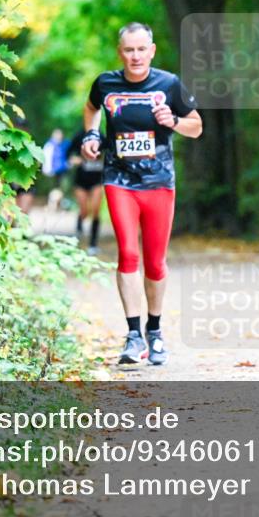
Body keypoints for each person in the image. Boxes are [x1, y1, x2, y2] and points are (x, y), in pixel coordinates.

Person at [81, 22, 202, 365]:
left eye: (141, 49)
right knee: (128, 254)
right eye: (128, 50)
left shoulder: (168, 85)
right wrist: (91, 136)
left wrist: (173, 121)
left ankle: (155, 330)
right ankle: (133, 335)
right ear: (120, 53)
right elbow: (91, 109)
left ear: (151, 51)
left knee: (155, 261)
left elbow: (197, 126)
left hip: (159, 183)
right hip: (119, 178)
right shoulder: (105, 83)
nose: (135, 56)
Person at [68, 128, 105, 256]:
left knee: (95, 211)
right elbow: (69, 155)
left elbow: (111, 151)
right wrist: (75, 159)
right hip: (81, 181)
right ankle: (79, 223)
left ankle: (93, 244)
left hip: (97, 181)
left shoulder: (102, 135)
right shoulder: (79, 135)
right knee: (85, 211)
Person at [41, 128, 69, 211]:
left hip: (61, 171)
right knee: (55, 188)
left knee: (58, 188)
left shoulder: (62, 145)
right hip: (52, 171)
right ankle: (53, 204)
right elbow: (46, 158)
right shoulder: (49, 145)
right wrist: (47, 169)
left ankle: (55, 204)